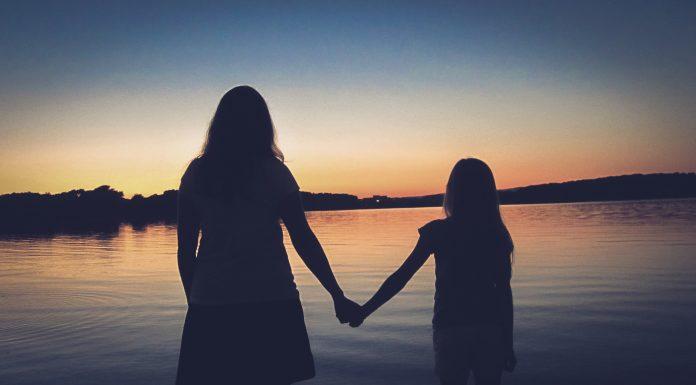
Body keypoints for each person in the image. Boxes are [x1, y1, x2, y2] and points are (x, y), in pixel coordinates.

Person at [175, 86, 360, 385]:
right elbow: (303, 238)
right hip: (271, 299)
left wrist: (195, 303)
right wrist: (336, 295)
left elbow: (185, 251)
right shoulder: (273, 172)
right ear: (262, 124)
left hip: (212, 302)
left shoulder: (197, 173)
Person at [349, 158, 517, 385]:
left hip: (451, 330)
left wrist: (365, 310)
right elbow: (504, 294)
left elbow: (401, 277)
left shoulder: (438, 232)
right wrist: (508, 344)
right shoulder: (496, 234)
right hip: (489, 329)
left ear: (452, 191)